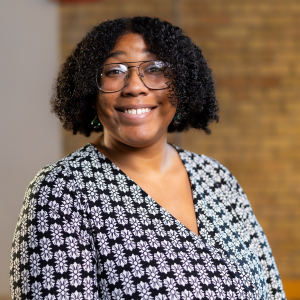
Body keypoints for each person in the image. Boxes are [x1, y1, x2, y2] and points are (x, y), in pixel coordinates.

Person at [10, 17, 286, 300]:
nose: (134, 87)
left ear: (181, 86)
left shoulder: (216, 177)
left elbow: (273, 292)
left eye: (154, 69)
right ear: (90, 91)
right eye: (113, 71)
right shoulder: (62, 191)